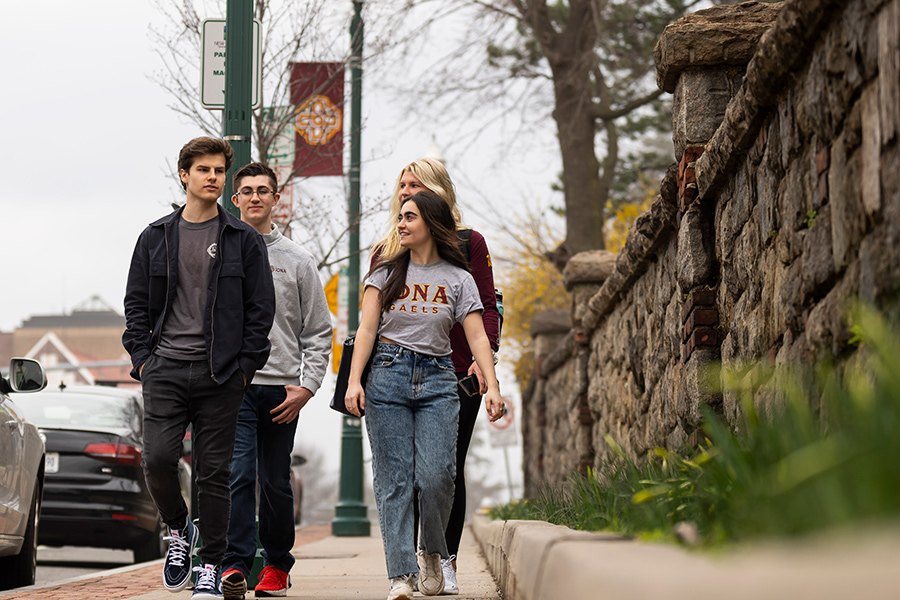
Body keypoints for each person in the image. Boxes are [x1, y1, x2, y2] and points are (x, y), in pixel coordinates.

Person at [123, 137, 276, 600]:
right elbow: (136, 304)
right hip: (165, 368)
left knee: (213, 475)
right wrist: (143, 360)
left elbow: (260, 309)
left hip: (220, 375)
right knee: (158, 460)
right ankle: (177, 531)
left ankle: (209, 566)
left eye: (218, 170)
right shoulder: (154, 237)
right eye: (203, 169)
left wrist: (244, 368)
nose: (212, 177)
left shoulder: (242, 239)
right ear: (184, 175)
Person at [345, 190, 505, 600]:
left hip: (438, 380)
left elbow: (476, 337)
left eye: (410, 217)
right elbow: (365, 330)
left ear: (431, 224)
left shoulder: (458, 278)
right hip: (387, 375)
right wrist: (354, 381)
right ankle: (400, 575)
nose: (400, 223)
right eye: (400, 216)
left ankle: (433, 552)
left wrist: (493, 386)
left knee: (437, 477)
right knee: (394, 481)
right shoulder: (385, 272)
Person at [220, 163, 332, 599]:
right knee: (237, 475)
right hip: (235, 387)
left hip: (282, 390)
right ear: (235, 199)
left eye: (263, 191)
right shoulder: (220, 252)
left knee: (275, 482)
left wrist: (307, 387)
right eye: (246, 191)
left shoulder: (298, 260)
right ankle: (234, 565)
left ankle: (277, 566)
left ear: (276, 199)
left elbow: (318, 331)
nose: (254, 198)